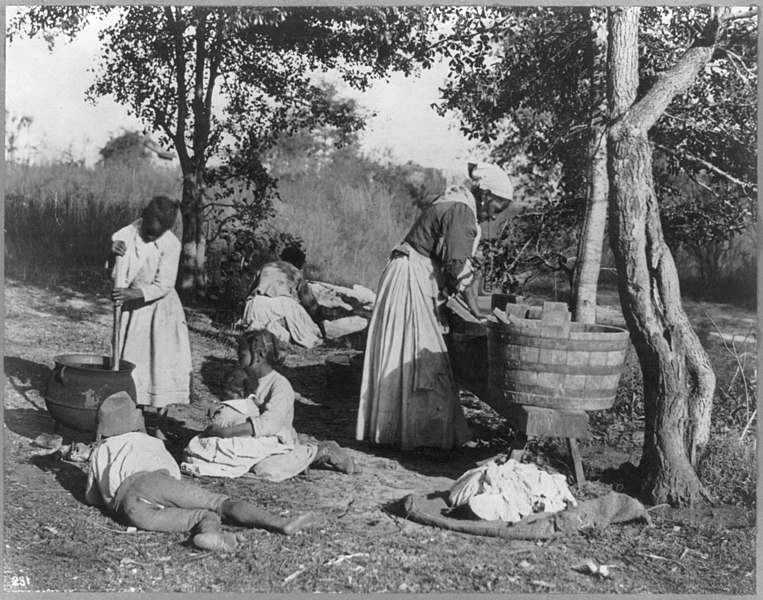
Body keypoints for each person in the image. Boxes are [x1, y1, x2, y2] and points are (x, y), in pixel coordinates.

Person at [356, 162, 514, 451]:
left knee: (405, 351)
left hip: (408, 272)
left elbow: (455, 262)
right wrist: (477, 312)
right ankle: (423, 438)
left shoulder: (453, 203)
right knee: (423, 357)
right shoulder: (461, 210)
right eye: (496, 207)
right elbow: (457, 267)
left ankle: (397, 430)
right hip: (411, 278)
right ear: (485, 195)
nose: (494, 215)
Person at [85, 392, 316, 553]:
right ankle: (279, 522)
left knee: (200, 516)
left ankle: (212, 534)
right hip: (152, 482)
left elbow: (92, 497)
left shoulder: (102, 450)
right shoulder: (148, 442)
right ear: (136, 420)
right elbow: (172, 473)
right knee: (218, 504)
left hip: (128, 510)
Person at [182, 329, 354, 480]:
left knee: (265, 469)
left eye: (241, 355)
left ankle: (319, 451)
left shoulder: (279, 385)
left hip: (276, 439)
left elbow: (270, 424)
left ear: (259, 355)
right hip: (248, 438)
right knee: (203, 450)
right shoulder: (242, 379)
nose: (238, 359)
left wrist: (226, 432)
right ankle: (296, 463)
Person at [108, 196, 193, 429]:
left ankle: (160, 424)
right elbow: (115, 272)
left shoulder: (171, 244)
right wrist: (111, 254)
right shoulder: (126, 234)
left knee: (160, 362)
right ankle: (135, 418)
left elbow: (164, 284)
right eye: (148, 232)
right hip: (133, 309)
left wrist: (132, 294)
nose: (150, 237)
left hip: (161, 311)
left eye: (156, 235)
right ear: (143, 216)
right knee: (134, 361)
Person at [240, 245, 326, 349]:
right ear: (298, 262)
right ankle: (276, 327)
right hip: (281, 305)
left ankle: (266, 327)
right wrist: (321, 323)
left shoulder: (266, 267)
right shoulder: (295, 272)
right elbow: (310, 303)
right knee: (306, 325)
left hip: (257, 304)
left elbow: (251, 292)